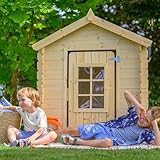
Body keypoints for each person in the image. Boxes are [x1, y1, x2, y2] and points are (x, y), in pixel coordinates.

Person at [56, 91, 160, 148]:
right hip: (104, 128)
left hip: (111, 139)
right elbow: (126, 93)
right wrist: (138, 105)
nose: (142, 119)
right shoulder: (135, 114)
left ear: (150, 125)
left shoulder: (147, 133)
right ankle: (49, 134)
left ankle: (77, 142)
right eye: (144, 115)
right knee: (70, 130)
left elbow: (157, 144)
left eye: (146, 120)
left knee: (107, 143)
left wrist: (155, 124)